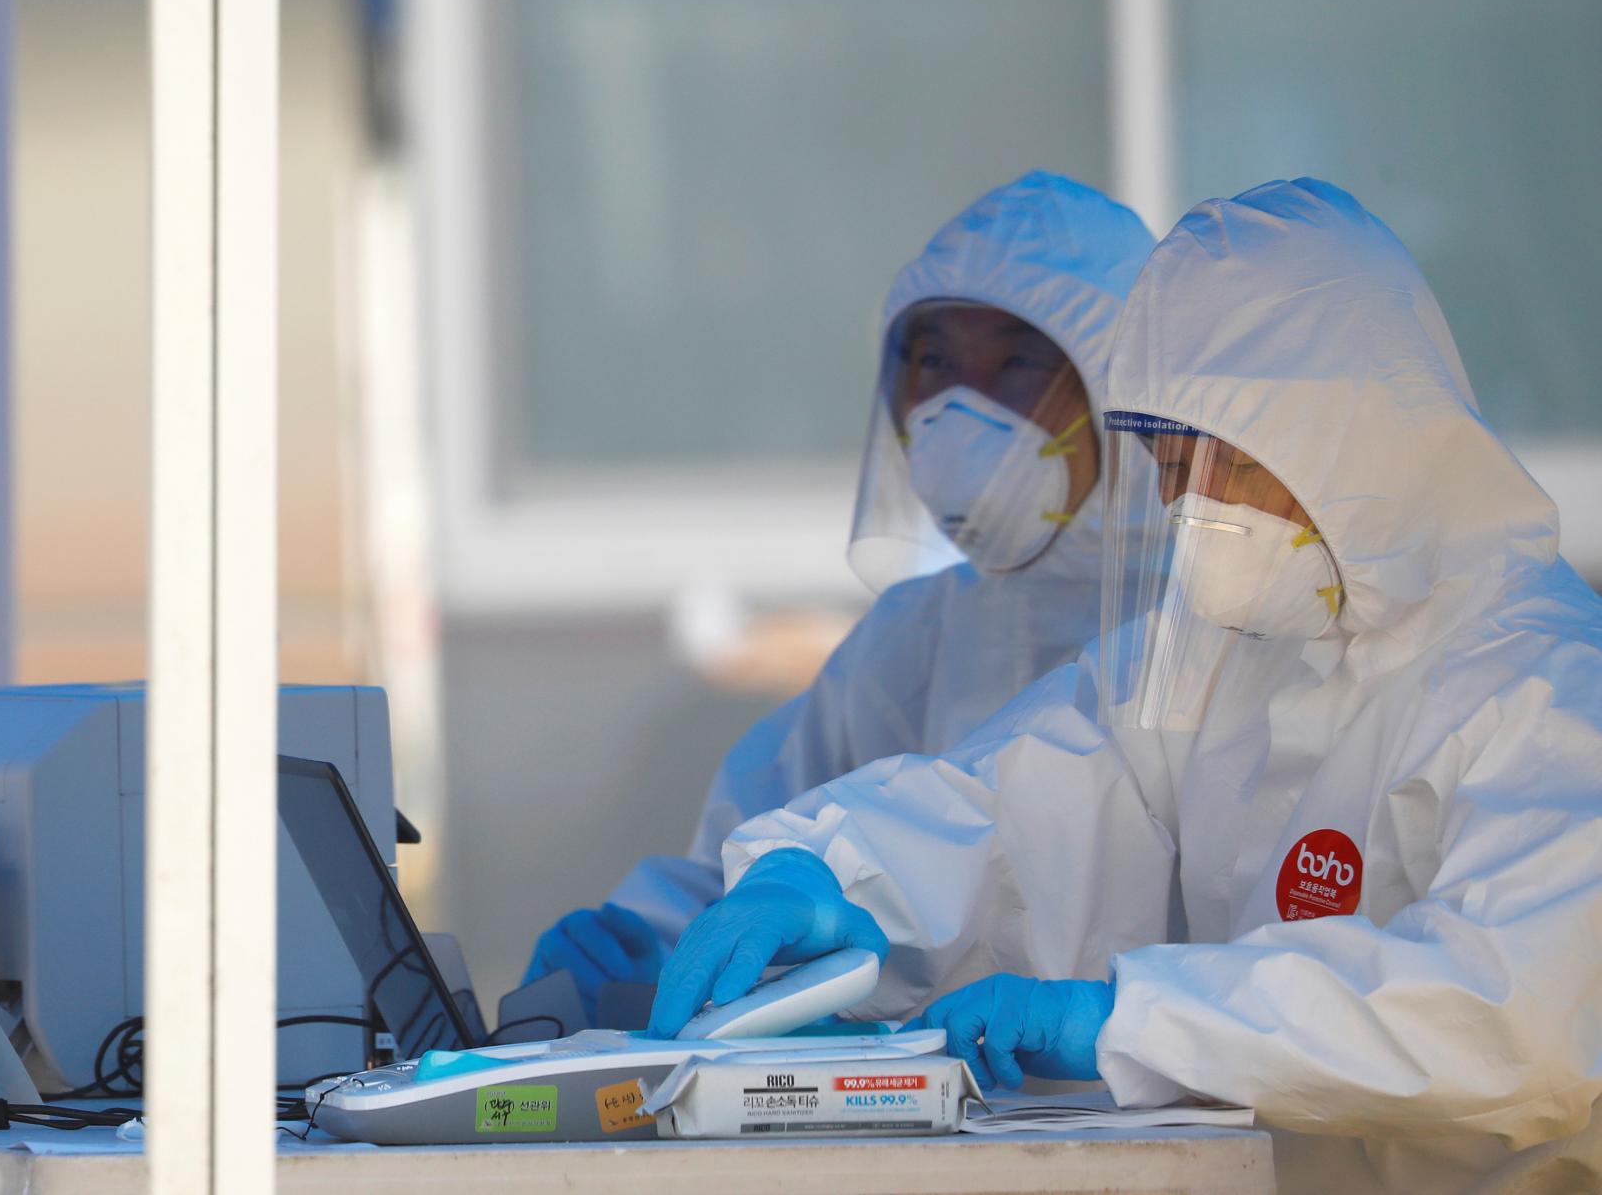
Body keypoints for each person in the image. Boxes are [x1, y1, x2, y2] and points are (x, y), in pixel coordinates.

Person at [650, 179, 1602, 1191]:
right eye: (1160, 460)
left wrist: (1124, 1017)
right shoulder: (1235, 644)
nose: (1185, 507)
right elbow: (1019, 789)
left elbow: (1510, 1014)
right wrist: (833, 870)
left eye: (1220, 460)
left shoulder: (1543, 687)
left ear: (1347, 437)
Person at [522, 172, 1154, 1024]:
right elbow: (759, 856)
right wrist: (653, 945)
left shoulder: (1207, 631)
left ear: (1127, 389)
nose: (960, 408)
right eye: (933, 361)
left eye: (1017, 363)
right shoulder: (914, 638)